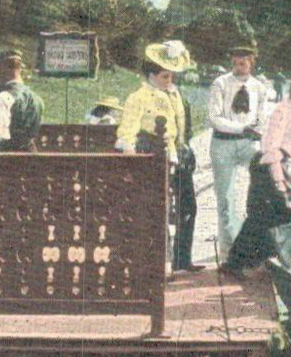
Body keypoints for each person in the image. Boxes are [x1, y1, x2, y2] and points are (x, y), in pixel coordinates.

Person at [116, 41, 201, 273]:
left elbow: (183, 125)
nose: (169, 80)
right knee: (158, 210)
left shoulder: (175, 94)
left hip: (178, 155)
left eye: (171, 75)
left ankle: (182, 260)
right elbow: (126, 132)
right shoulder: (139, 97)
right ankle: (158, 263)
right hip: (152, 155)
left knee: (187, 207)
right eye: (165, 76)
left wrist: (184, 147)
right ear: (151, 75)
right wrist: (132, 160)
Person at [226, 71, 291, 274]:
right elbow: (271, 148)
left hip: (282, 165)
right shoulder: (282, 111)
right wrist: (279, 180)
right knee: (266, 216)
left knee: (274, 216)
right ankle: (236, 263)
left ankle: (258, 259)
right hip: (270, 167)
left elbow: (290, 146)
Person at [206, 44, 274, 264]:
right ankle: (228, 252)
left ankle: (256, 248)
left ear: (251, 63)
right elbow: (214, 118)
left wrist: (258, 131)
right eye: (235, 62)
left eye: (243, 62)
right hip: (223, 143)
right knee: (225, 198)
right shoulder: (220, 84)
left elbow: (263, 118)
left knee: (261, 189)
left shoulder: (259, 88)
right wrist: (240, 128)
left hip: (248, 144)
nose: (238, 66)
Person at [0, 49, 43, 150]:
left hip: (6, 159)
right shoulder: (37, 99)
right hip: (30, 158)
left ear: (3, 68)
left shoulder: (3, 97)